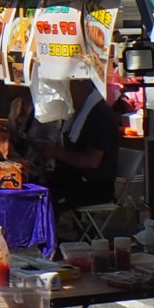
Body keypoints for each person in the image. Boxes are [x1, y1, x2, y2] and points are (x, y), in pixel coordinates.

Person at [36, 73, 121, 211]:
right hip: (70, 180)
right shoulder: (77, 111)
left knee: (44, 201)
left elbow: (92, 161)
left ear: (80, 86)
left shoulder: (100, 114)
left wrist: (56, 152)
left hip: (92, 186)